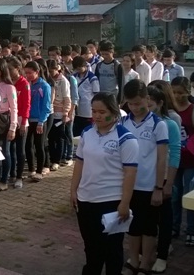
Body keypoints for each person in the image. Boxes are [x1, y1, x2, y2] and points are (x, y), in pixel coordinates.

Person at [70, 93, 139, 275]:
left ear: (114, 112)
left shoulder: (126, 139)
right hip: (86, 200)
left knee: (112, 249)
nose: (97, 116)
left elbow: (130, 173)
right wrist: (73, 190)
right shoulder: (87, 133)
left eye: (102, 112)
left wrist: (125, 202)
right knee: (91, 246)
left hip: (110, 202)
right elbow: (80, 163)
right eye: (94, 111)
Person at [122, 80, 168, 274]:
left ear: (147, 99)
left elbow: (162, 158)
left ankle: (146, 263)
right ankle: (134, 260)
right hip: (129, 185)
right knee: (132, 225)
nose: (134, 108)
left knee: (148, 227)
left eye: (138, 103)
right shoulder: (123, 122)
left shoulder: (158, 124)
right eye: (130, 104)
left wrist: (159, 187)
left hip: (149, 186)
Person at [147, 86, 182, 274]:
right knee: (147, 220)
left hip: (164, 179)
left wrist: (168, 184)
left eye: (151, 104)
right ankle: (145, 253)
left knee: (164, 219)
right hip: (144, 180)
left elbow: (175, 154)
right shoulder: (139, 123)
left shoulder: (170, 124)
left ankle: (162, 255)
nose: (146, 107)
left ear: (160, 103)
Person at [170, 76, 194, 247]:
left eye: (180, 92)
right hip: (174, 160)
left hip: (191, 160)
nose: (177, 96)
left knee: (189, 195)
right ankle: (174, 226)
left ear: (187, 91)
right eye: (174, 92)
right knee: (174, 195)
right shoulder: (170, 110)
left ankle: (191, 230)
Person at [0, 58, 18, 191]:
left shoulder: (9, 87)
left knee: (5, 150)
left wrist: (13, 127)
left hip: (4, 119)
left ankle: (4, 180)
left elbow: (14, 108)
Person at [25, 61, 52, 182]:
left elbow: (46, 106)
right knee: (28, 145)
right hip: (28, 120)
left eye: (30, 73)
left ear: (37, 72)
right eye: (26, 73)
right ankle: (31, 169)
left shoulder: (44, 86)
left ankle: (39, 171)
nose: (28, 75)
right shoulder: (28, 84)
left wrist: (41, 122)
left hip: (39, 120)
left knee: (39, 145)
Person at [7, 57, 30, 188]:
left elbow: (26, 104)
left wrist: (23, 123)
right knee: (10, 149)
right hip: (10, 120)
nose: (9, 72)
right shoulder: (8, 83)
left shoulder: (24, 83)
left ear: (17, 68)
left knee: (20, 150)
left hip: (21, 120)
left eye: (11, 69)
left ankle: (19, 177)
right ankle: (11, 173)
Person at [48, 60, 71, 171]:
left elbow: (67, 98)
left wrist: (66, 113)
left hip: (60, 113)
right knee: (51, 138)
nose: (51, 72)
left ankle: (57, 160)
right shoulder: (48, 79)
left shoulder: (63, 81)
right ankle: (52, 159)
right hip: (50, 112)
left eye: (52, 70)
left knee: (59, 138)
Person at [73, 56, 100, 137]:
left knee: (88, 131)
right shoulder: (74, 77)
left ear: (85, 65)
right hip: (77, 109)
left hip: (88, 109)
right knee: (77, 132)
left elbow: (96, 93)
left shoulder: (92, 77)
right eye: (77, 68)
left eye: (80, 67)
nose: (79, 70)